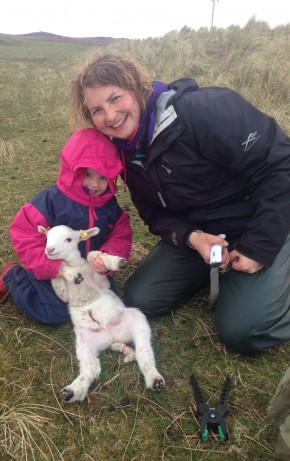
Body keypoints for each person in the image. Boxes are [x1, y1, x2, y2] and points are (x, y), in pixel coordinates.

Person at [69, 53, 290, 354]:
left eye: (115, 98)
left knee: (244, 330)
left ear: (136, 88)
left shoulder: (203, 110)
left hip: (260, 221)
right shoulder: (125, 153)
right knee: (141, 298)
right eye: (97, 110)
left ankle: (274, 267)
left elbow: (281, 165)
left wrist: (259, 247)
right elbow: (153, 214)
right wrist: (192, 237)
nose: (109, 115)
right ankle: (225, 274)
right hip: (204, 239)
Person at [0, 128, 132, 324]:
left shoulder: (110, 206)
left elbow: (120, 234)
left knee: (107, 306)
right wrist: (51, 266)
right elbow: (25, 234)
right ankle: (14, 277)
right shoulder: (51, 200)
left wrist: (107, 256)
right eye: (88, 174)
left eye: (103, 178)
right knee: (53, 314)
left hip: (89, 271)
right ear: (72, 169)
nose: (95, 184)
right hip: (53, 271)